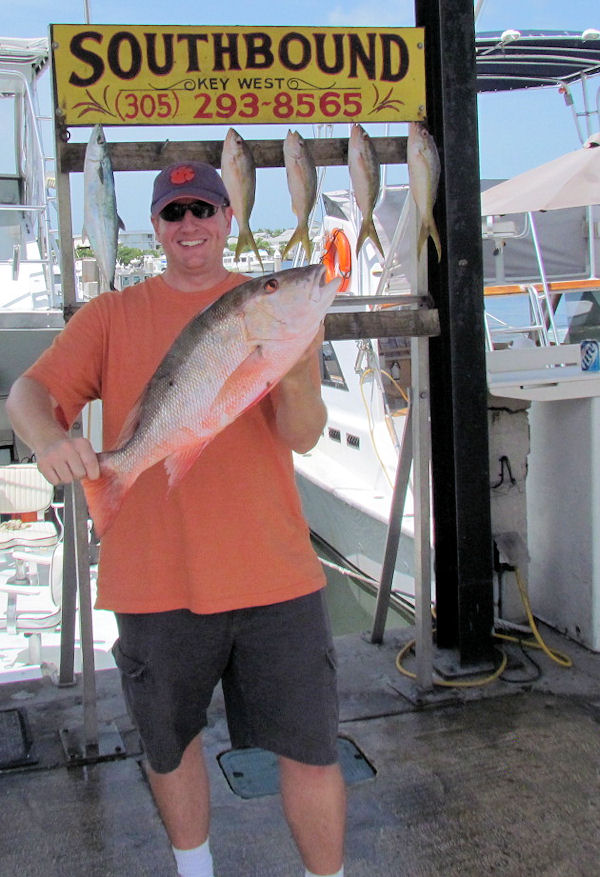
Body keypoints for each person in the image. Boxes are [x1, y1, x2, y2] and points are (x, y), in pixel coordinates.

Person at [6, 161, 346, 877]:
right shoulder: (110, 315)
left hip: (275, 572)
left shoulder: (276, 312)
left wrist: (289, 372)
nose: (189, 224)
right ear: (156, 227)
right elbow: (28, 393)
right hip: (153, 579)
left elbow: (303, 434)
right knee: (170, 743)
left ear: (227, 218)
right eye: (173, 212)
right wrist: (50, 440)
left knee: (313, 747)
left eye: (203, 208)